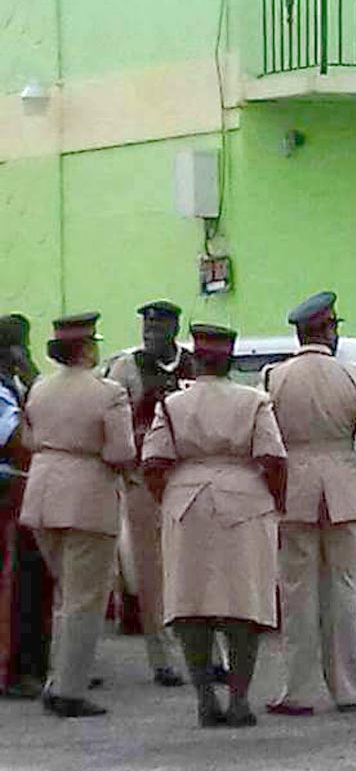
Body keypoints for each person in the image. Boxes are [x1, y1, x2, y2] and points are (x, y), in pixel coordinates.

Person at [142, 324, 287, 727]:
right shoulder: (254, 402)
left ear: (196, 359)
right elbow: (274, 459)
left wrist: (169, 501)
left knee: (191, 606)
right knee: (244, 603)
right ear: (229, 360)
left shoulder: (172, 404)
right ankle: (239, 699)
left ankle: (205, 698)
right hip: (245, 498)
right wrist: (276, 503)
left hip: (185, 499)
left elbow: (153, 463)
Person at [265, 291, 356, 716]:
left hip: (294, 488)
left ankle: (298, 690)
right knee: (345, 592)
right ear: (327, 330)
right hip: (343, 485)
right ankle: (346, 688)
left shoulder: (274, 378)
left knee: (297, 593)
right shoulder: (353, 377)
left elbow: (264, 442)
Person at [20, 313, 136, 717]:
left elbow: (28, 437)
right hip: (87, 495)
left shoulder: (40, 387)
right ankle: (69, 689)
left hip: (42, 491)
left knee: (65, 594)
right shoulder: (109, 392)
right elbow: (121, 452)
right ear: (88, 348)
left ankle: (59, 677)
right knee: (85, 598)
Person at [105, 300, 194, 686]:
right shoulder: (127, 368)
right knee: (152, 572)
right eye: (146, 330)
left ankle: (208, 654)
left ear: (174, 330)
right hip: (145, 479)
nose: (151, 337)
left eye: (158, 330)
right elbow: (114, 417)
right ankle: (164, 659)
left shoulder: (193, 365)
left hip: (188, 476)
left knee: (195, 567)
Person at [0, 314, 52, 698]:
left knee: (36, 584)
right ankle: (14, 671)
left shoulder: (12, 385)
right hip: (7, 495)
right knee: (16, 587)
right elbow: (23, 442)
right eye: (19, 346)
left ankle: (41, 664)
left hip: (23, 493)